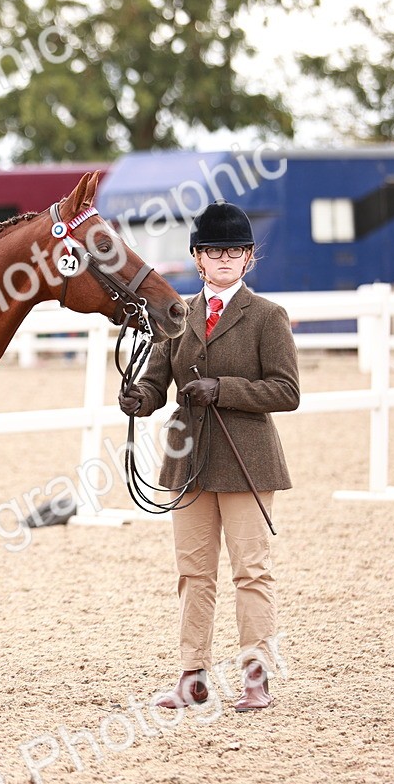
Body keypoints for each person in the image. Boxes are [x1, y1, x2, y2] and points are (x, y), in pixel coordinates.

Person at [119, 201, 299, 712]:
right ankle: (192, 676)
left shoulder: (267, 316)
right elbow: (156, 382)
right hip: (190, 459)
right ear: (198, 258)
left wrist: (223, 388)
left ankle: (256, 677)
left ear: (248, 257)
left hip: (247, 460)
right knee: (193, 573)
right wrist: (139, 398)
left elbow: (286, 391)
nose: (224, 259)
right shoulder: (178, 315)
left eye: (234, 251)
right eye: (214, 251)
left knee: (251, 572)